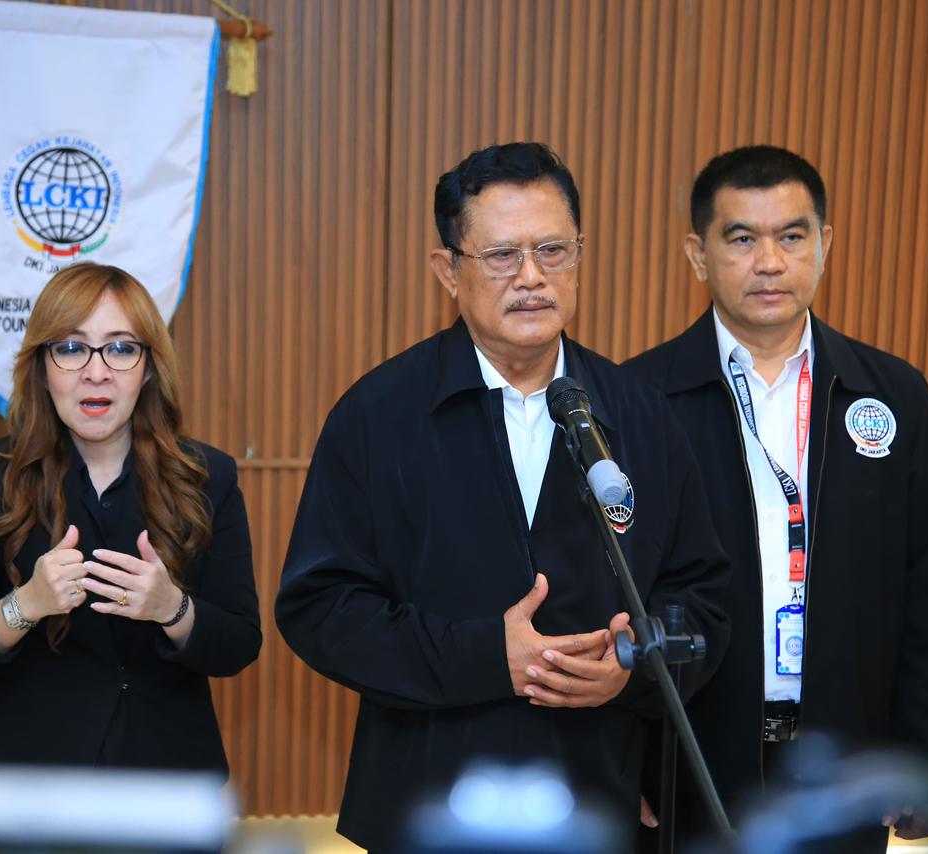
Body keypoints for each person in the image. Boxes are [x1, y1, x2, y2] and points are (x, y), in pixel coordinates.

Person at [275, 142, 730, 852]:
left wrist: (633, 664)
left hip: (596, 798)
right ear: (447, 271)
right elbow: (321, 608)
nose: (531, 277)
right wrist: (487, 655)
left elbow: (701, 597)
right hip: (428, 803)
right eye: (500, 256)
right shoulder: (379, 415)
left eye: (553, 250)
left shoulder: (640, 415)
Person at [625, 145, 928, 851]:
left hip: (845, 761)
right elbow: (609, 594)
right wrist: (619, 758)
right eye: (741, 239)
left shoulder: (893, 395)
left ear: (825, 244)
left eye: (792, 236)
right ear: (697, 254)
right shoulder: (638, 399)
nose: (770, 262)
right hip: (688, 759)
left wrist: (926, 756)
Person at [0, 262, 262, 775]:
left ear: (149, 368)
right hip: (24, 779)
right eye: (71, 347)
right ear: (42, 367)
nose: (96, 371)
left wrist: (172, 608)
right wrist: (26, 604)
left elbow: (239, 645)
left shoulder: (207, 476)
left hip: (164, 776)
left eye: (121, 348)